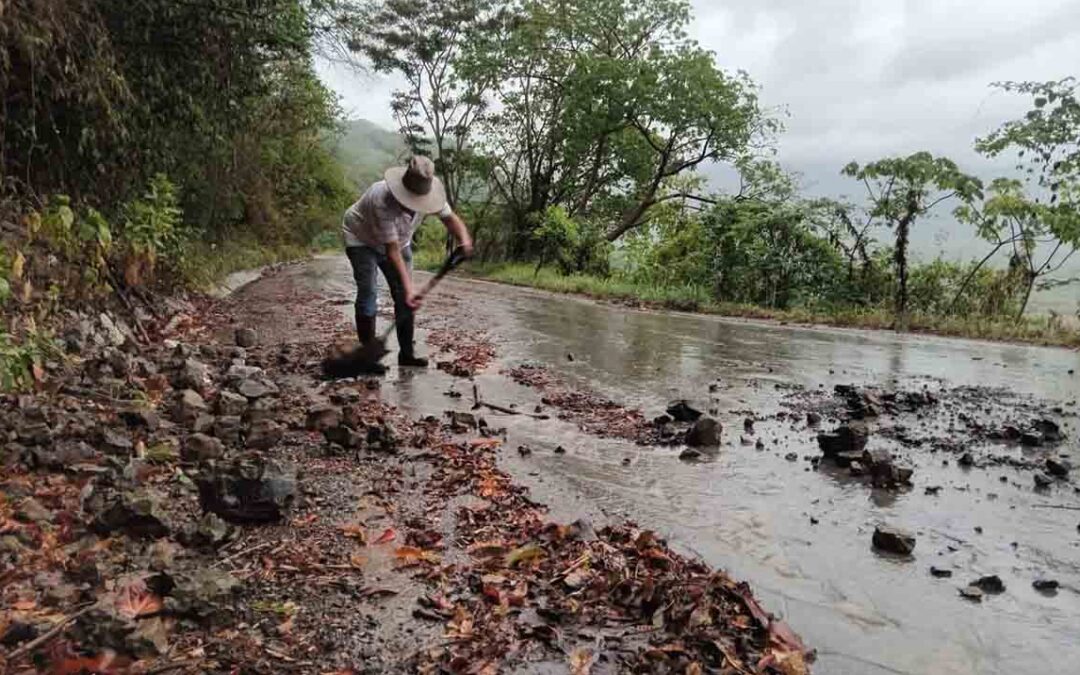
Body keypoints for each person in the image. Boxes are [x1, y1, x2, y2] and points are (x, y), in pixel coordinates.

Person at [342, 156, 473, 373]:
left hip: (399, 242)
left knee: (404, 297)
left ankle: (407, 355)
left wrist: (465, 240)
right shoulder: (381, 198)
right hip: (361, 238)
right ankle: (367, 356)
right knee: (369, 292)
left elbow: (451, 220)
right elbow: (392, 252)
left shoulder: (432, 195)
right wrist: (410, 290)